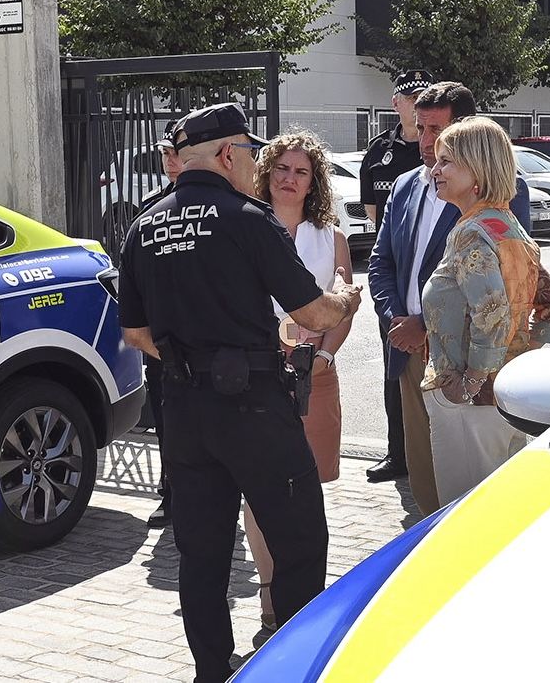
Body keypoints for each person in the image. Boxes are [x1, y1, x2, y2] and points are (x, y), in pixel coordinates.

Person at [117, 102, 363, 683]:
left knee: (201, 553)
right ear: (228, 154)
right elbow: (312, 309)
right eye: (250, 152)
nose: (256, 162)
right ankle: (294, 668)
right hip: (254, 407)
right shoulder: (248, 219)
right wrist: (347, 297)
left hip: (183, 410)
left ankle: (209, 670)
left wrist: (191, 360)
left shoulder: (143, 226)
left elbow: (135, 333)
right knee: (300, 541)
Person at [421, 116, 550, 506]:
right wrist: (524, 357)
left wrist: (471, 381)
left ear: (478, 170)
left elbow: (491, 313)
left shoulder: (472, 231)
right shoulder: (508, 226)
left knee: (463, 514)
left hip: (470, 401)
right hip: (507, 399)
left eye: (446, 161)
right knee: (501, 510)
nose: (434, 170)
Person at [243, 129, 353, 628]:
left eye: (301, 171)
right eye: (282, 168)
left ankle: (305, 594)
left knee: (306, 489)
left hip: (313, 372)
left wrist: (325, 355)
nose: (290, 178)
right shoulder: (243, 227)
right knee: (258, 486)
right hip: (255, 372)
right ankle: (269, 595)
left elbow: (345, 301)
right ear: (267, 172)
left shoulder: (330, 237)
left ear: (315, 183)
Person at [368, 81, 469, 516]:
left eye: (436, 130)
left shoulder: (498, 190)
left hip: (463, 356)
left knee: (464, 473)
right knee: (424, 476)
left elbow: (494, 285)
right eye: (420, 127)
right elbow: (380, 261)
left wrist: (424, 326)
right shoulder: (405, 186)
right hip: (407, 349)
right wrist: (396, 320)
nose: (425, 142)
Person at [358, 69, 430, 483]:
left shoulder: (439, 155)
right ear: (396, 102)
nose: (415, 101)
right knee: (395, 375)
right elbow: (373, 208)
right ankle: (397, 452)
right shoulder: (380, 149)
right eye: (409, 96)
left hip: (432, 296)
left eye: (422, 94)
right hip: (396, 285)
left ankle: (428, 456)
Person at [136, 125, 184, 529]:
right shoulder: (151, 207)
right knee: (167, 422)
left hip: (207, 335)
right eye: (164, 153)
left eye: (176, 152)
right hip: (162, 337)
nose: (170, 161)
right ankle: (170, 494)